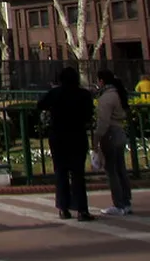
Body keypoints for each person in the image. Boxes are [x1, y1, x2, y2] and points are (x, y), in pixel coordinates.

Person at [37, 66, 95, 221]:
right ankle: (82, 210)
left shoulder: (55, 93)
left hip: (58, 135)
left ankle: (63, 208)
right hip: (77, 134)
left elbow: (40, 105)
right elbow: (89, 114)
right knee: (78, 174)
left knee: (61, 172)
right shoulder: (83, 94)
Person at [94, 69, 133, 216]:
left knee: (112, 170)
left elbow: (103, 122)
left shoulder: (106, 98)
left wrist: (96, 139)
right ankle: (126, 201)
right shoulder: (119, 94)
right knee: (121, 168)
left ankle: (118, 203)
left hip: (110, 133)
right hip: (120, 132)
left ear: (101, 81)